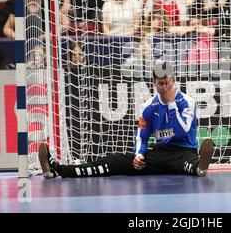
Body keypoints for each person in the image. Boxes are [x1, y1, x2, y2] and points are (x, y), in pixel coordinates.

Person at [39, 61, 215, 179]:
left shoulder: (187, 102)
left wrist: (170, 104)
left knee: (189, 165)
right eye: (161, 83)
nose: (165, 87)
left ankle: (200, 167)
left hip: (183, 151)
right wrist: (139, 155)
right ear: (154, 83)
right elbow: (141, 137)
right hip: (160, 154)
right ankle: (57, 169)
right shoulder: (148, 107)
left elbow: (181, 130)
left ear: (173, 80)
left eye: (168, 82)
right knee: (115, 162)